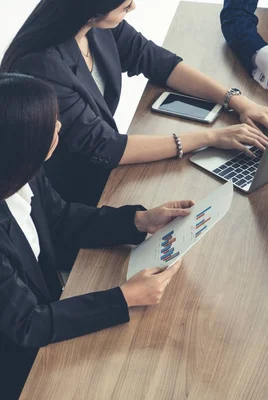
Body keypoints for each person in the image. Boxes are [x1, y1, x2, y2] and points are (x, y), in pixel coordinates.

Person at [0, 73, 192, 400]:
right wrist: (124, 297)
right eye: (50, 122)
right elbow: (27, 325)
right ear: (24, 143)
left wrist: (139, 220)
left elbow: (60, 218)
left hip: (49, 320)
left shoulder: (22, 173)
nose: (59, 126)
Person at [1, 0, 268, 207]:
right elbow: (105, 146)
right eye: (126, 6)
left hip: (108, 168)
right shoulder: (44, 68)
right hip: (75, 194)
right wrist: (212, 137)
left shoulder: (96, 27)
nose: (133, 8)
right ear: (91, 12)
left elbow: (154, 60)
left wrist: (238, 102)